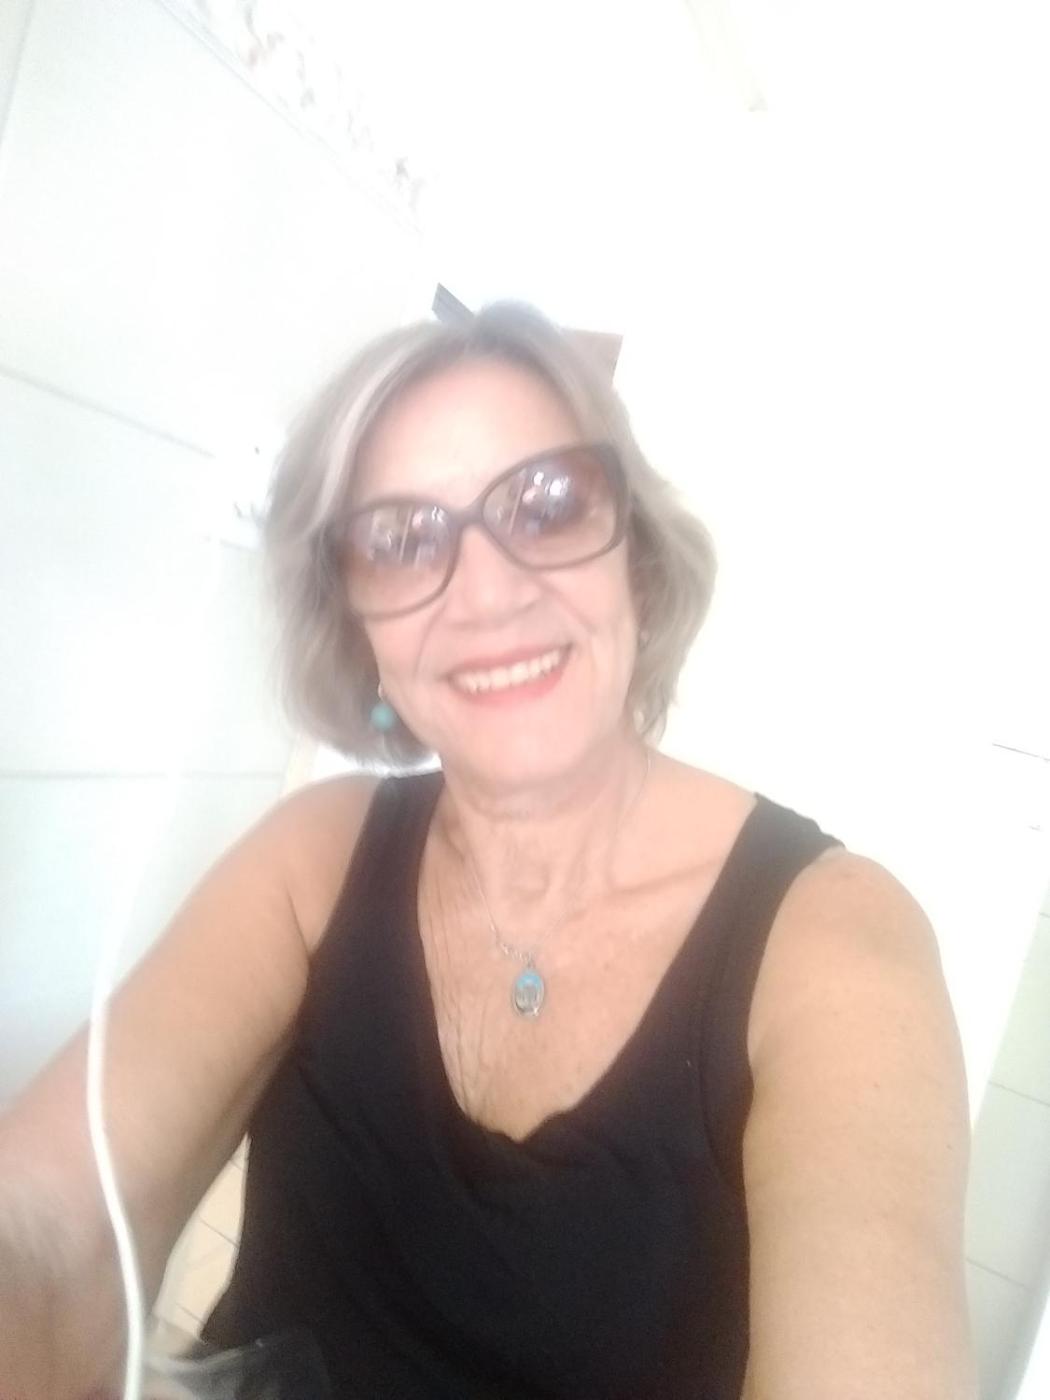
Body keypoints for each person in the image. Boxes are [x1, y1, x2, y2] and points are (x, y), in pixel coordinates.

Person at [0, 303, 976, 1399]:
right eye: (401, 539)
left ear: (637, 555)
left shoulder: (836, 940)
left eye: (547, 504)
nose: (488, 593)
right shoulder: (313, 858)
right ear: (354, 620)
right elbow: (48, 1226)